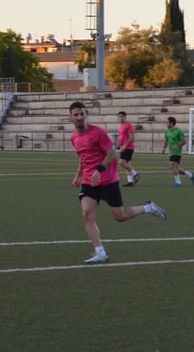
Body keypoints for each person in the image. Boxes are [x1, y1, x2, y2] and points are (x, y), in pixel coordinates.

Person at [69, 101, 166, 264]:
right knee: (87, 214)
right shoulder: (74, 138)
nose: (79, 117)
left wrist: (99, 170)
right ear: (70, 118)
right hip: (89, 181)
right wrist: (79, 175)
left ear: (86, 115)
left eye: (82, 114)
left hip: (107, 179)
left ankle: (148, 207)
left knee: (120, 217)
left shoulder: (97, 133)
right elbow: (82, 156)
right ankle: (100, 253)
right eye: (76, 114)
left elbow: (112, 154)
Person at [162, 116, 194, 187]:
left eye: (167, 122)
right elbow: (166, 141)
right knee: (176, 168)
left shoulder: (178, 131)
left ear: (171, 123)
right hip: (171, 152)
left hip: (177, 152)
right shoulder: (167, 131)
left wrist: (177, 146)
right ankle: (190, 175)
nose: (166, 124)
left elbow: (184, 141)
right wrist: (164, 148)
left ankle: (178, 182)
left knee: (172, 166)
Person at [116, 111, 140, 187]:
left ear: (125, 117)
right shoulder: (120, 126)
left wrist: (125, 145)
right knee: (127, 164)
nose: (120, 118)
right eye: (119, 116)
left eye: (122, 116)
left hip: (128, 147)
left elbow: (132, 137)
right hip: (124, 147)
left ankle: (135, 174)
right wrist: (120, 146)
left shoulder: (128, 125)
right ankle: (130, 181)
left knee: (121, 162)